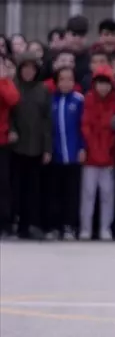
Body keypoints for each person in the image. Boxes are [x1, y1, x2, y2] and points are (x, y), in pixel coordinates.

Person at [10, 53, 52, 239]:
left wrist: (47, 148)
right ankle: (15, 222)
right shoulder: (13, 87)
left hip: (36, 146)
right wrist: (11, 130)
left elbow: (47, 121)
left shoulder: (42, 90)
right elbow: (7, 113)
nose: (28, 72)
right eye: (25, 68)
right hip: (16, 146)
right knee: (15, 188)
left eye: (32, 68)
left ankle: (31, 224)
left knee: (33, 189)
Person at [79, 64, 115, 241]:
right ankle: (85, 228)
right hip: (90, 154)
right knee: (88, 193)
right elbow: (84, 126)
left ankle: (105, 228)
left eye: (107, 83)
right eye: (100, 83)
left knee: (107, 194)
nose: (103, 87)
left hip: (109, 154)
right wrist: (88, 147)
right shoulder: (87, 100)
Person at [46, 67, 85, 241]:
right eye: (62, 79)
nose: (66, 83)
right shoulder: (51, 101)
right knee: (54, 192)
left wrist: (82, 147)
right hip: (55, 154)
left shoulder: (78, 100)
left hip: (74, 155)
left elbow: (83, 127)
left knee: (72, 192)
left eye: (69, 79)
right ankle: (54, 225)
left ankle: (70, 225)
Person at [0, 54, 21, 237]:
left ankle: (5, 222)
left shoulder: (6, 83)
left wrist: (3, 79)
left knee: (3, 184)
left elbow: (13, 99)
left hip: (2, 141)